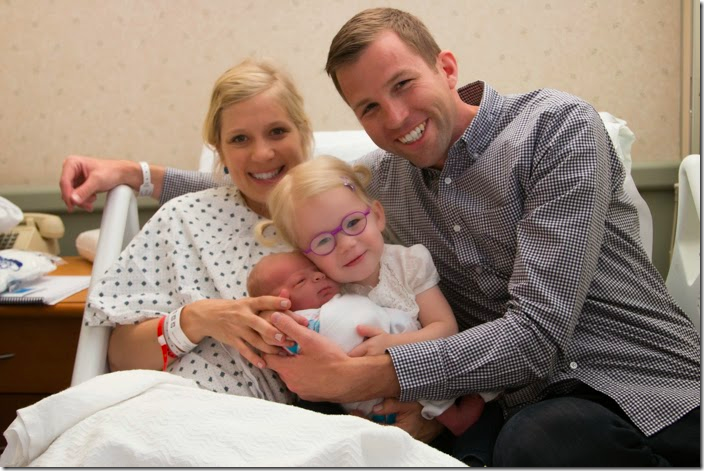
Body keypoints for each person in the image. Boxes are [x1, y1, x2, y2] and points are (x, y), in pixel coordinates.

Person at [60, 7, 700, 467]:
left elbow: (537, 335)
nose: (394, 117)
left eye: (404, 85)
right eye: (368, 107)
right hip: (517, 409)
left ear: (446, 67)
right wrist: (138, 176)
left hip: (647, 385)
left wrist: (355, 378)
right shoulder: (381, 189)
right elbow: (273, 184)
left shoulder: (553, 129)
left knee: (539, 442)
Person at [81, 58, 319, 403]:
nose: (262, 153)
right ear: (219, 150)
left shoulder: (341, 224)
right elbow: (120, 357)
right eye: (240, 139)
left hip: (278, 423)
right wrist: (196, 320)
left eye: (277, 131)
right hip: (168, 407)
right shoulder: (181, 220)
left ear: (304, 131)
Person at [249, 158, 494, 434]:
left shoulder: (408, 264)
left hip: (426, 378)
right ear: (306, 256)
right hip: (367, 409)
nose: (347, 244)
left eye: (353, 222)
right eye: (323, 241)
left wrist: (392, 345)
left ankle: (455, 420)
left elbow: (445, 328)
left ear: (377, 215)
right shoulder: (326, 292)